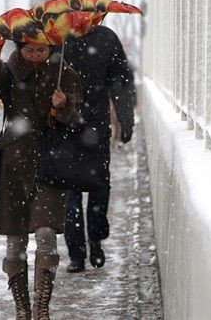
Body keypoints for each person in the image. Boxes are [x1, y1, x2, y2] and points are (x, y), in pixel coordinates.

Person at [0, 41, 82, 320]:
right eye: (28, 50)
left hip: (49, 163)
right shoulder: (8, 71)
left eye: (40, 50)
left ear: (50, 47)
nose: (34, 56)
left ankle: (41, 308)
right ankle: (22, 309)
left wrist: (64, 105)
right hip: (13, 164)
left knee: (45, 235)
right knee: (15, 240)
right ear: (19, 48)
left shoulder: (64, 73)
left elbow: (77, 119)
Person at [61, 25, 136, 273]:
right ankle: (88, 245)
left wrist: (125, 119)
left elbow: (120, 80)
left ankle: (80, 251)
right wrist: (125, 120)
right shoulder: (105, 37)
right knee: (94, 187)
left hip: (75, 127)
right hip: (86, 127)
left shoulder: (61, 36)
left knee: (77, 190)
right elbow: (121, 80)